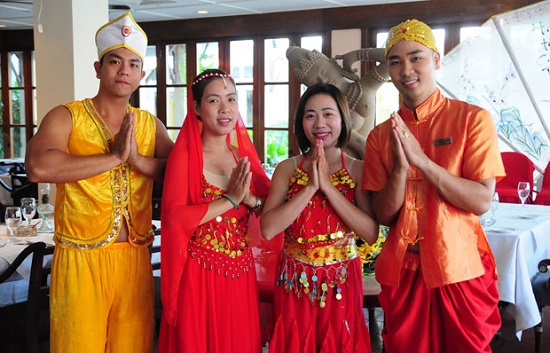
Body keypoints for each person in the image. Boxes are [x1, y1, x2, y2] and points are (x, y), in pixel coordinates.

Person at [25, 12, 174, 353]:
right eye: (114, 61)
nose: (124, 70)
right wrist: (114, 158)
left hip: (135, 259)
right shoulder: (68, 116)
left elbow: (179, 171)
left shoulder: (150, 125)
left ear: (142, 74)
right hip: (80, 259)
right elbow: (37, 166)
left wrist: (138, 160)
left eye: (133, 64)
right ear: (97, 68)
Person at [362, 19, 505, 353]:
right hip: (404, 271)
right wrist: (400, 168)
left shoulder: (472, 119)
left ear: (436, 60)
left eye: (416, 57)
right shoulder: (381, 135)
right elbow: (383, 215)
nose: (406, 69)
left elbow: (481, 200)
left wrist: (422, 162)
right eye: (395, 62)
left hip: (460, 267)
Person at [158, 69, 278, 353]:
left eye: (231, 99)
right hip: (200, 274)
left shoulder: (242, 155)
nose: (226, 108)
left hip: (240, 273)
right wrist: (230, 200)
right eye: (214, 101)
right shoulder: (185, 156)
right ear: (197, 108)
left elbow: (267, 206)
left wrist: (252, 201)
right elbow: (175, 219)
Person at [261, 83, 379, 353]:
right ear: (301, 122)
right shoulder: (287, 169)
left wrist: (327, 186)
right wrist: (310, 188)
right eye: (310, 115)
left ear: (342, 119)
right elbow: (268, 229)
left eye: (328, 114)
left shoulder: (358, 169)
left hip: (341, 281)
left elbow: (370, 232)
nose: (319, 123)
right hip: (294, 281)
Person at [286, 46, 389, 158]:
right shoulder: (320, 112)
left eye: (323, 72)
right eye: (315, 82)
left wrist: (357, 55)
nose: (324, 80)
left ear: (333, 65)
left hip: (367, 165)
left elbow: (392, 60)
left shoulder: (362, 88)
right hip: (336, 168)